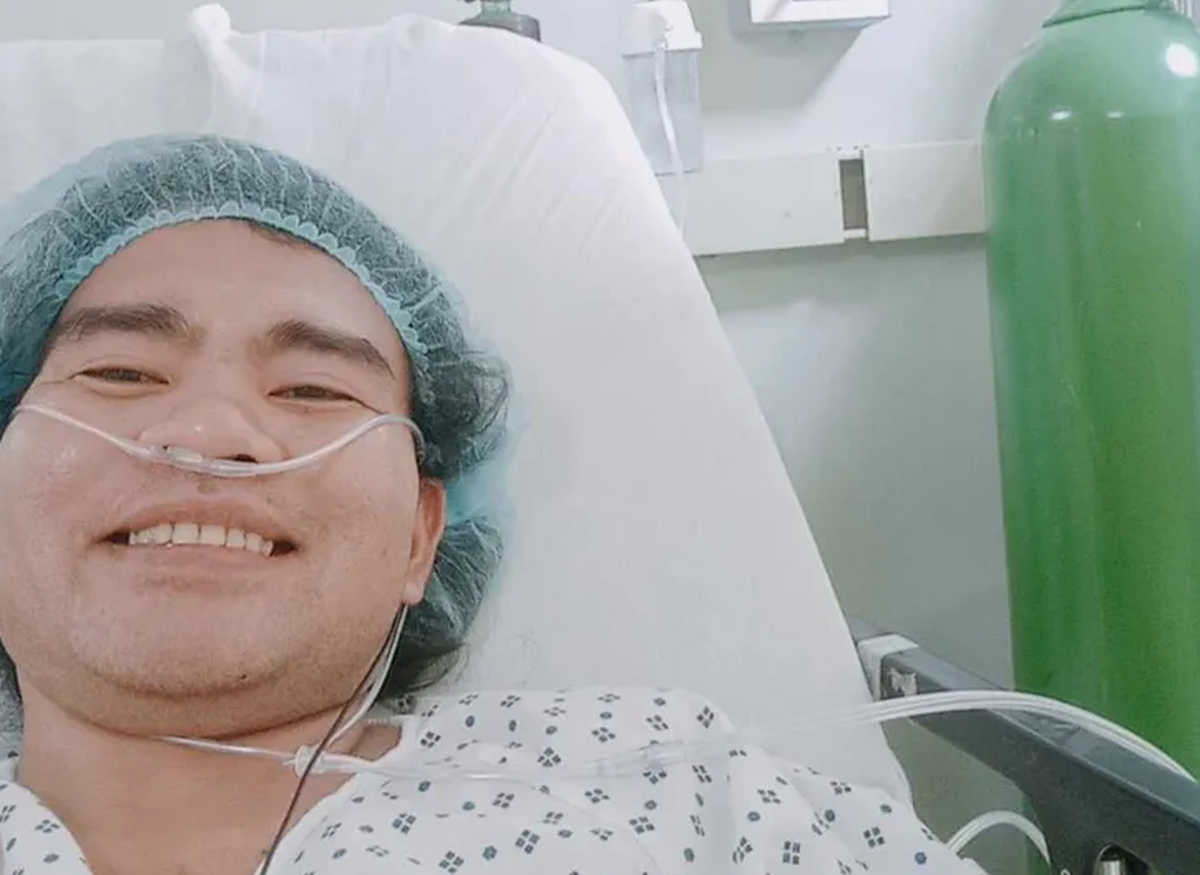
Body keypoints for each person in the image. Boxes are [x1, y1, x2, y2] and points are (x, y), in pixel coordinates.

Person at [0, 135, 982, 875]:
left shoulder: (678, 788)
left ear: (420, 537)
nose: (212, 431)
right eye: (121, 371)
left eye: (313, 389)